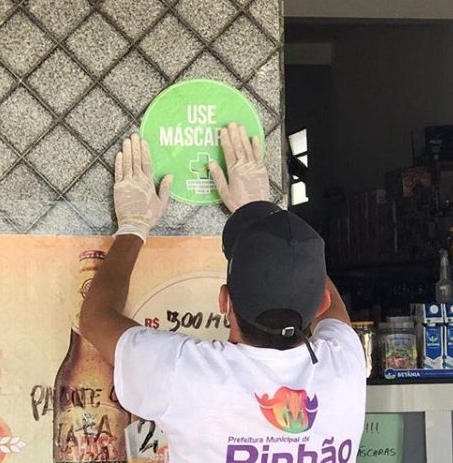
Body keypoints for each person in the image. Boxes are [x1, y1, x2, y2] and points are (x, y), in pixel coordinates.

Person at [79, 123, 367, 463]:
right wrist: (266, 213)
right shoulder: (344, 369)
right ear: (321, 304)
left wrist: (133, 226)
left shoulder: (187, 375)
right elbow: (322, 291)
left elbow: (95, 318)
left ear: (224, 301)